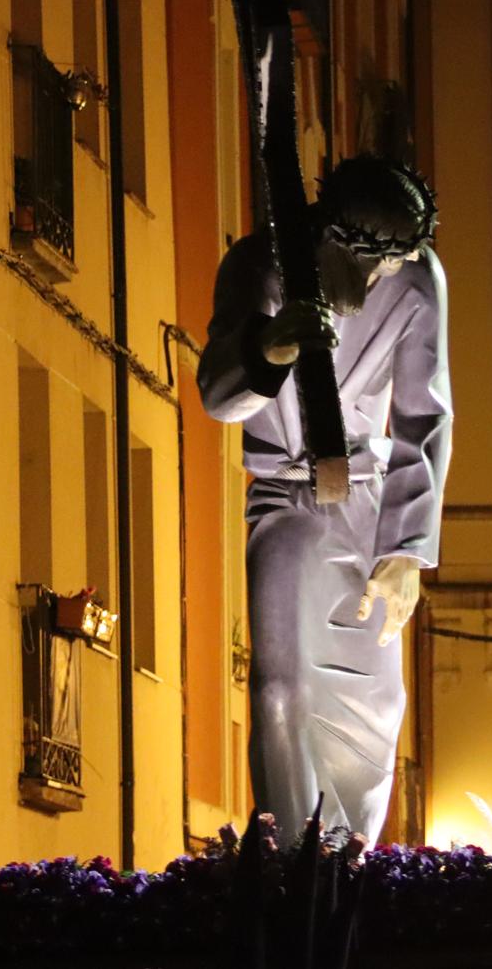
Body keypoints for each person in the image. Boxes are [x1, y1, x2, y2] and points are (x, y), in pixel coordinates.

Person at [198, 155, 451, 845]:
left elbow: (425, 420)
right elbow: (218, 396)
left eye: (395, 263)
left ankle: (350, 863)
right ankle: (294, 858)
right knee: (282, 692)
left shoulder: (418, 282)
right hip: (284, 501)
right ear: (333, 238)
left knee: (376, 706)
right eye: (370, 261)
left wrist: (405, 552)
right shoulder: (260, 267)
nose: (379, 280)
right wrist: (274, 346)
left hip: (370, 509)